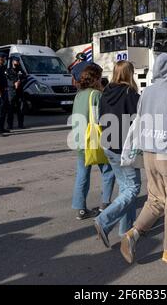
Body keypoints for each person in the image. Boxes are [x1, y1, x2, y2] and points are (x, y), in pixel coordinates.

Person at [120, 53, 167, 264]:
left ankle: (133, 233)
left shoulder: (147, 93)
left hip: (149, 155)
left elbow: (140, 122)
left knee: (155, 199)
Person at [93, 61, 141, 248]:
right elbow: (140, 119)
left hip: (109, 145)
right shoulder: (130, 94)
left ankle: (126, 229)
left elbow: (100, 118)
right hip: (124, 149)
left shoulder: (106, 92)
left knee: (124, 187)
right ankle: (103, 221)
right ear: (130, 73)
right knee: (133, 188)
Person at [70, 63, 116, 220]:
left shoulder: (78, 94)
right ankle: (105, 204)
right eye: (100, 77)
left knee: (82, 174)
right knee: (108, 170)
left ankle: (80, 209)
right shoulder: (95, 95)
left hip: (79, 140)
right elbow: (99, 119)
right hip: (94, 140)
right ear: (95, 79)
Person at [6, 56, 27, 129]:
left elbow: (25, 78)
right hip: (11, 92)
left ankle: (21, 124)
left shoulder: (20, 70)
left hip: (20, 92)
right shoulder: (8, 71)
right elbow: (7, 81)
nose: (17, 62)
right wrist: (14, 83)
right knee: (10, 109)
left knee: (21, 109)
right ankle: (10, 125)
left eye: (18, 61)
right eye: (16, 61)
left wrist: (20, 82)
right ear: (12, 62)